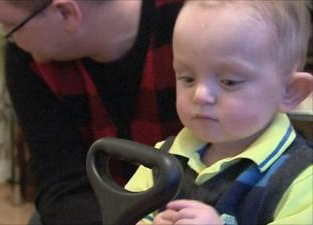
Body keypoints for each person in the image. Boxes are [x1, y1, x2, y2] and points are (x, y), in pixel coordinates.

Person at [0, 0, 184, 224]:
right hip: (99, 209)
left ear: (66, 13)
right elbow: (61, 183)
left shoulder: (194, 24)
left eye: (10, 26)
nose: (11, 39)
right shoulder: (27, 59)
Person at [125, 1, 313, 224]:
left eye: (229, 81)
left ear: (289, 92)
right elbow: (125, 214)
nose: (201, 95)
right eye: (188, 78)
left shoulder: (302, 178)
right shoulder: (160, 160)